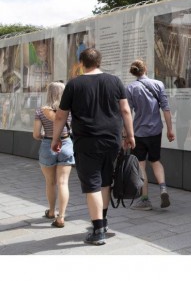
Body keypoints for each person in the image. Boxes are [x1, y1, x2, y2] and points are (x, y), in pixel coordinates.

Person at [51, 48, 135, 246]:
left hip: (87, 141)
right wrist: (130, 135)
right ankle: (103, 223)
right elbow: (125, 110)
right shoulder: (115, 81)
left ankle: (98, 231)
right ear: (99, 61)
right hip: (112, 140)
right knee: (105, 182)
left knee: (92, 185)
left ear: (82, 62)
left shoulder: (74, 84)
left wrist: (56, 139)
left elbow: (61, 115)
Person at [126, 59, 175, 211]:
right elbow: (165, 109)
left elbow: (128, 112)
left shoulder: (130, 88)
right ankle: (163, 189)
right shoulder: (158, 84)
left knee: (141, 164)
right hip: (156, 131)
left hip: (139, 132)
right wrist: (170, 129)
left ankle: (145, 200)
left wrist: (126, 135)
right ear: (145, 69)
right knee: (155, 160)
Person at [33, 81, 74, 228]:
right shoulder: (70, 110)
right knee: (63, 182)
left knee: (50, 182)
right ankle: (61, 217)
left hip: (47, 145)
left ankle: (51, 211)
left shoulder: (40, 111)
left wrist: (45, 135)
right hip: (66, 144)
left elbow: (36, 134)